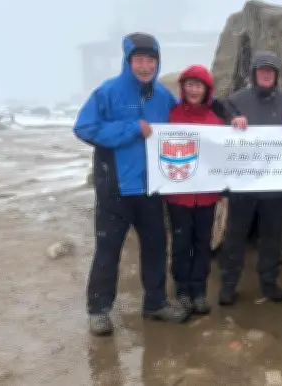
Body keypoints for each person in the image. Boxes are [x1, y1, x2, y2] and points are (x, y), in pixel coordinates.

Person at [73, 32, 188, 336]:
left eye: (151, 60)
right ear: (128, 61)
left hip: (151, 188)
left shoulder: (164, 98)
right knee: (108, 250)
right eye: (139, 60)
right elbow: (84, 127)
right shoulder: (108, 92)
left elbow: (185, 130)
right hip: (116, 188)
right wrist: (130, 128)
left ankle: (155, 303)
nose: (145, 66)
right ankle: (98, 310)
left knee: (155, 248)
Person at [218, 51, 282, 306]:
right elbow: (219, 133)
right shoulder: (235, 100)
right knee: (235, 235)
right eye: (262, 70)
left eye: (271, 71)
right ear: (254, 73)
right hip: (242, 184)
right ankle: (228, 285)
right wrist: (232, 120)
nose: (266, 74)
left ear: (276, 75)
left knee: (272, 236)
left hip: (274, 185)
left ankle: (268, 281)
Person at [163, 64, 225, 317]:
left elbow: (224, 153)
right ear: (182, 87)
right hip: (178, 194)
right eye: (189, 84)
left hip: (207, 195)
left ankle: (199, 291)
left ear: (206, 89)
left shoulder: (216, 119)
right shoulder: (171, 115)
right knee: (180, 243)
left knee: (202, 244)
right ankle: (182, 290)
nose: (193, 89)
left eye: (198, 85)